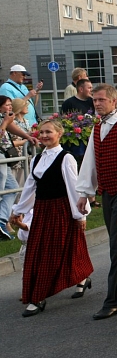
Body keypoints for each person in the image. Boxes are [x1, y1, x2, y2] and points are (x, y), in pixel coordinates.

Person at [11, 119, 92, 317]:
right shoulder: (37, 159)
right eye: (42, 132)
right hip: (42, 209)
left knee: (61, 250)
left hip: (61, 209)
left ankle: (39, 295)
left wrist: (80, 214)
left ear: (59, 134)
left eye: (49, 132)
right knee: (39, 251)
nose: (45, 135)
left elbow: (75, 188)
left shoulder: (66, 158)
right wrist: (18, 209)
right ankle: (79, 280)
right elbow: (30, 187)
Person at [76, 84, 117, 319]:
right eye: (94, 100)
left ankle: (114, 299)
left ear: (115, 102)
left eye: (101, 100)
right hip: (107, 193)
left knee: (116, 247)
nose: (97, 103)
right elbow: (90, 161)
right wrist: (84, 193)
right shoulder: (98, 128)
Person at [0, 96, 40, 240]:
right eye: (7, 105)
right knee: (2, 190)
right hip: (0, 157)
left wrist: (28, 137)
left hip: (4, 157)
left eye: (11, 105)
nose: (10, 107)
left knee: (12, 188)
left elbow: (13, 128)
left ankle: (1, 220)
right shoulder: (3, 119)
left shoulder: (3, 118)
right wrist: (5, 122)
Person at [10, 98, 32, 186]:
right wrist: (25, 140)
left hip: (27, 155)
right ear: (19, 108)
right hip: (17, 155)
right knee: (17, 182)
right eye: (25, 106)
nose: (27, 107)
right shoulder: (12, 123)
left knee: (25, 182)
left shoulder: (26, 121)